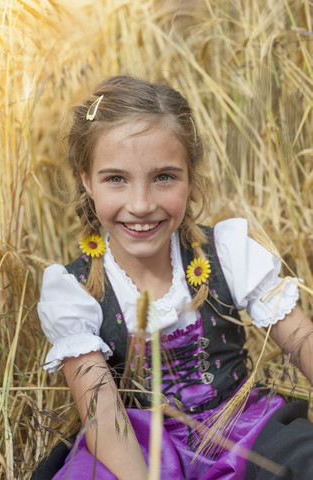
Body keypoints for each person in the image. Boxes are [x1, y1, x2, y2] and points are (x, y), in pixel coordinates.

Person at [37, 74, 313, 480]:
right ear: (85, 180)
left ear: (190, 174)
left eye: (164, 176)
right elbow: (105, 422)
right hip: (137, 445)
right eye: (116, 178)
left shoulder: (226, 253)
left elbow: (303, 342)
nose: (142, 204)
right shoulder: (77, 290)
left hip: (244, 430)